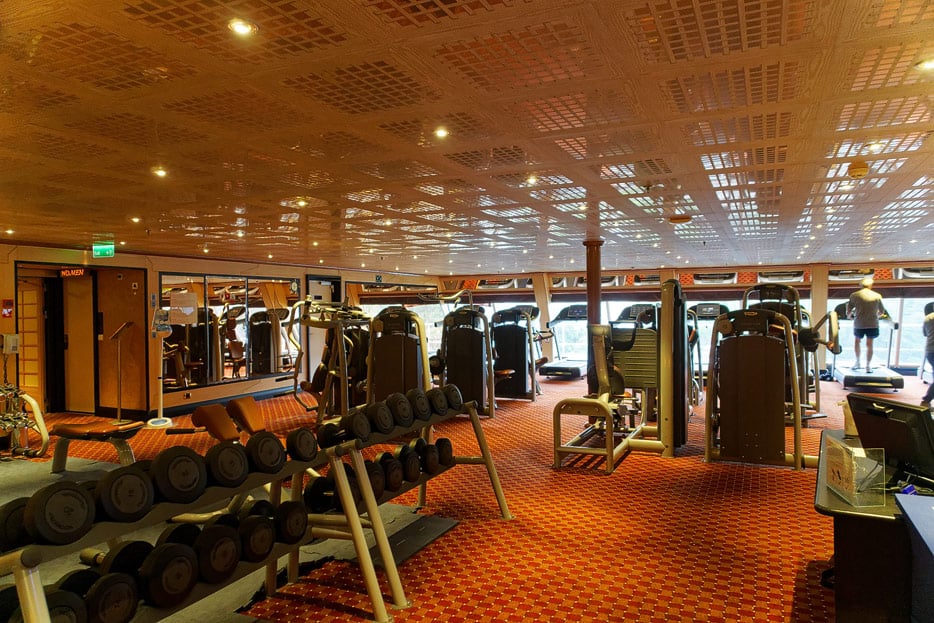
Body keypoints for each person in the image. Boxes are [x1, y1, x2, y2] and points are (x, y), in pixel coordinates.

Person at [846, 277, 885, 372]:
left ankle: (858, 362)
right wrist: (876, 316)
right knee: (870, 344)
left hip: (859, 323)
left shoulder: (854, 295)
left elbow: (849, 311)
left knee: (857, 341)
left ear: (860, 285)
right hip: (872, 323)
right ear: (871, 285)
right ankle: (868, 366)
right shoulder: (877, 296)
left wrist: (850, 317)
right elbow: (882, 311)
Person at [923, 305, 934, 410]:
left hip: (930, 350)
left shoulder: (927, 318)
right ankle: (926, 399)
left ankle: (927, 399)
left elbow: (925, 333)